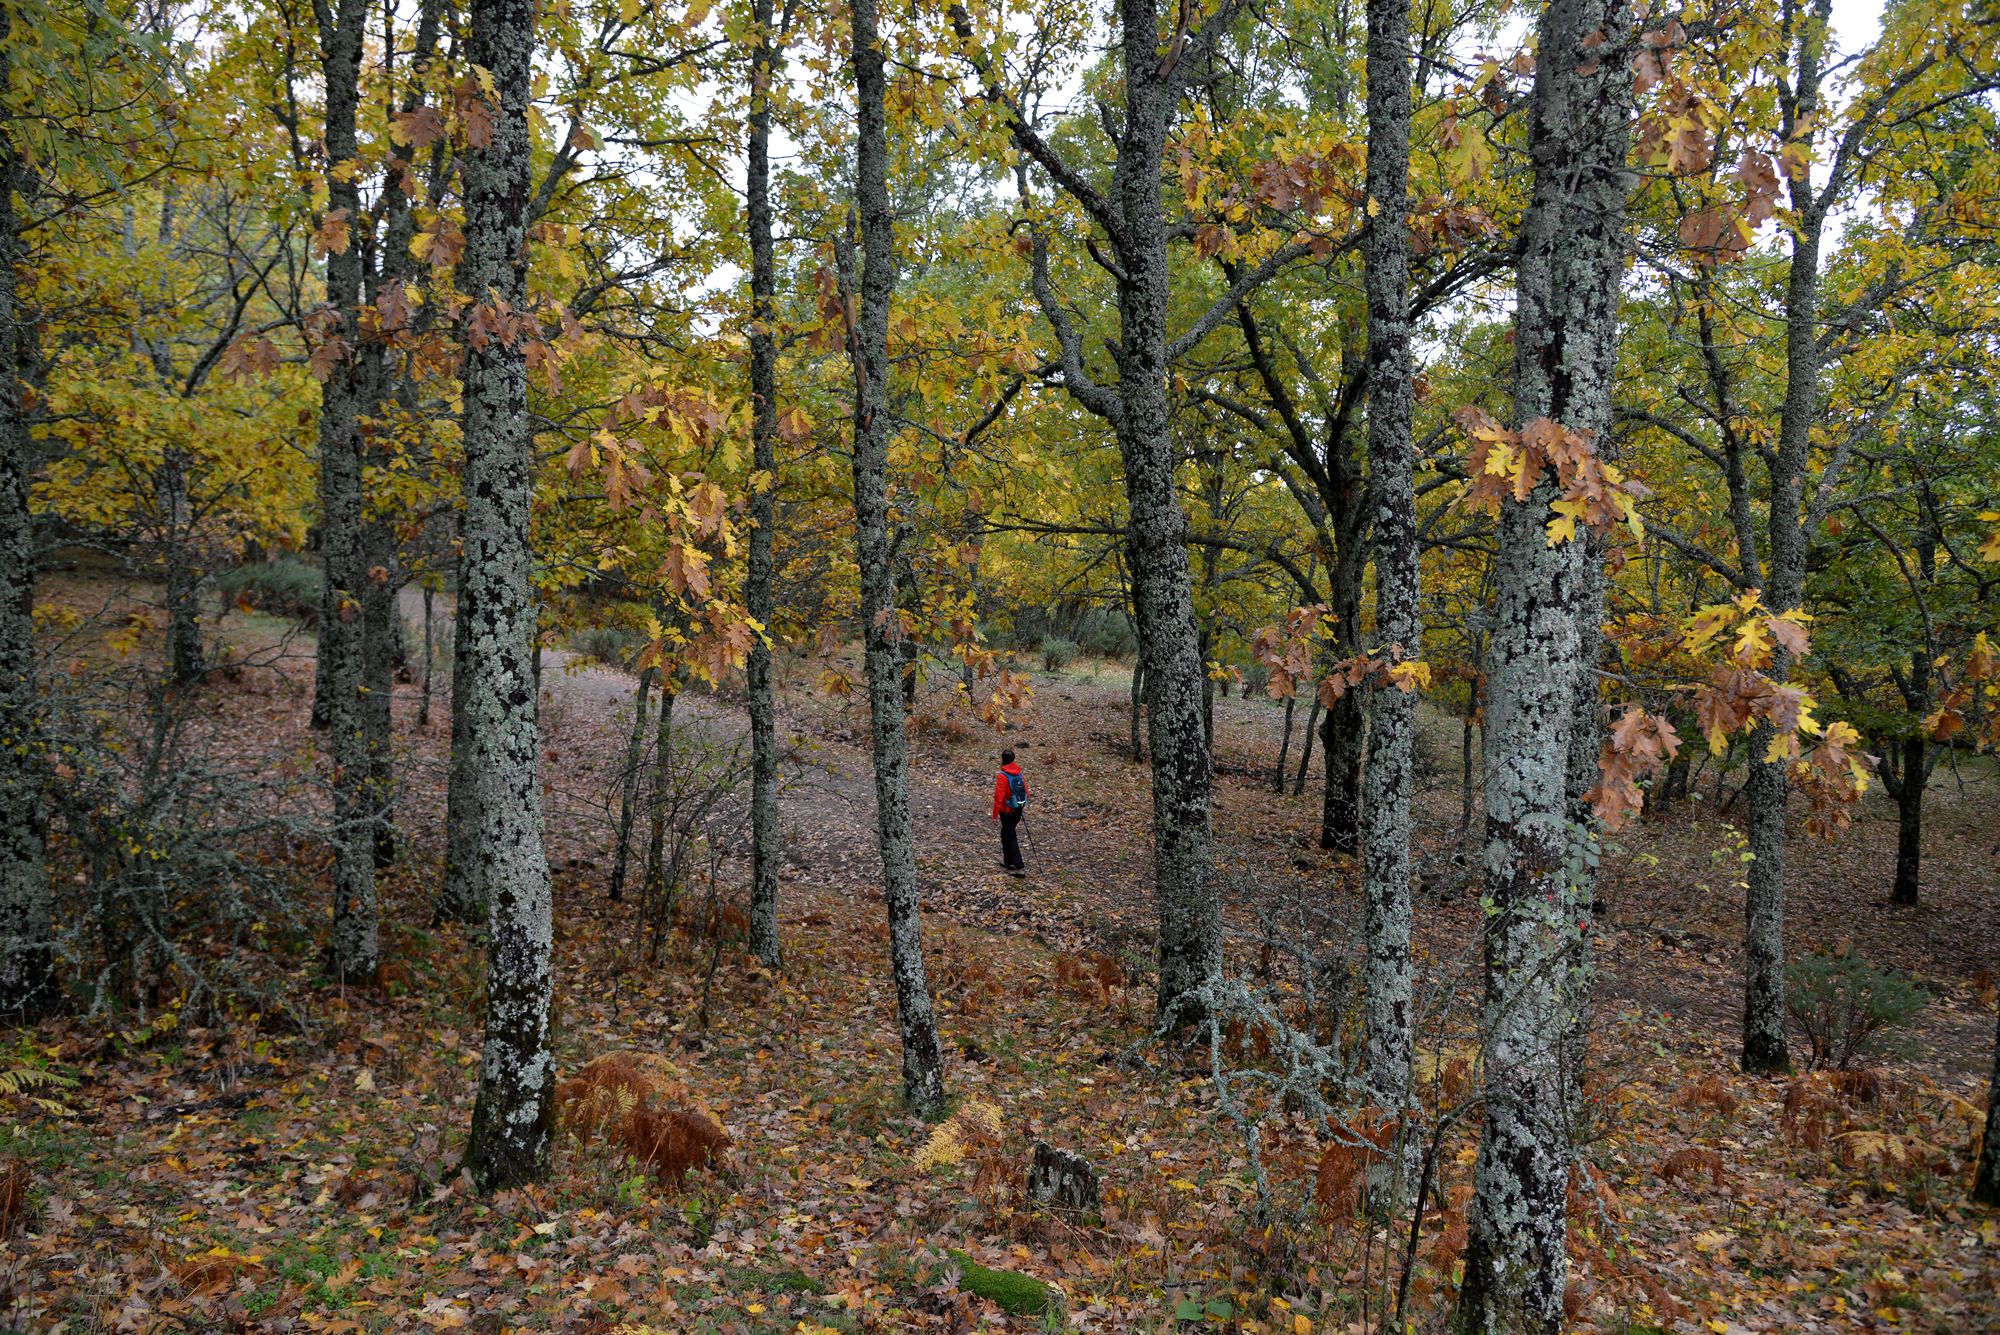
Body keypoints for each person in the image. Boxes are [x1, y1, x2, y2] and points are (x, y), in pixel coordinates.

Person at [991, 748, 1027, 874]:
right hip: (1018, 809)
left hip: (1007, 811)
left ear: (1002, 760)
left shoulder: (1002, 776)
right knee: (1005, 833)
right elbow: (1026, 791)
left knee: (1010, 835)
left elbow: (999, 797)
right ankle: (1008, 861)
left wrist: (995, 814)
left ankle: (1019, 865)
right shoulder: (1019, 774)